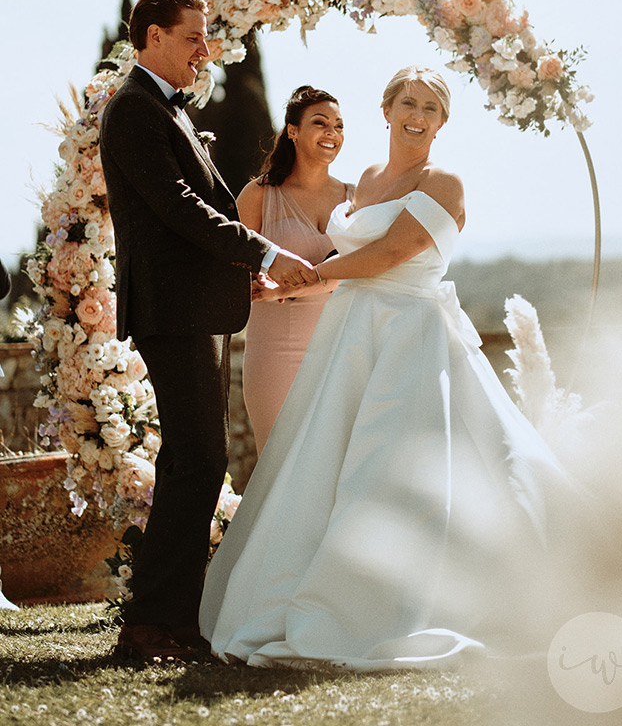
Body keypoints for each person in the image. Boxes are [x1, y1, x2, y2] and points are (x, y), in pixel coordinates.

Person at [199, 66, 572, 670]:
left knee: (392, 465)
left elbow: (391, 253)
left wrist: (312, 278)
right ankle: (308, 591)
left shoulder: (444, 182)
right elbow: (336, 252)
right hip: (347, 338)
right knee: (326, 468)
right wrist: (279, 290)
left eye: (430, 107)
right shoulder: (366, 179)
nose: (417, 115)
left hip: (411, 339)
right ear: (387, 108)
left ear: (443, 121)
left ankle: (398, 602)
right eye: (408, 102)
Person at [99, 0, 316, 662]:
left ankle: (169, 619)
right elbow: (177, 206)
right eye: (192, 37)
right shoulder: (134, 110)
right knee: (198, 461)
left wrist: (237, 270)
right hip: (172, 312)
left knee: (198, 459)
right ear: (152, 36)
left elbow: (191, 214)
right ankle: (154, 625)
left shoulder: (164, 110)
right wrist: (264, 250)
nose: (204, 51)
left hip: (193, 305)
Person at [237, 85, 354, 455]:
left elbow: (359, 271)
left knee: (335, 463)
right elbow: (229, 262)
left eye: (338, 125)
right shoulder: (259, 195)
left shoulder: (358, 197)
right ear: (293, 131)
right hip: (276, 350)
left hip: (343, 350)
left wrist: (284, 288)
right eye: (320, 123)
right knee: (277, 463)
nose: (331, 133)